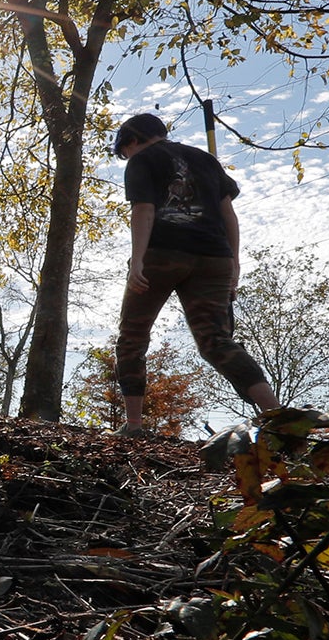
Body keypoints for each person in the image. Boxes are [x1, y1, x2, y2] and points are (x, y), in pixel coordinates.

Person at [111, 112, 279, 433]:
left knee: (132, 336)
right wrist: (234, 262)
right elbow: (228, 213)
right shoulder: (205, 160)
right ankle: (278, 417)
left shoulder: (142, 160)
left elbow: (143, 209)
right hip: (214, 257)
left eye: (124, 152)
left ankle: (133, 424)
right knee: (216, 340)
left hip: (162, 254)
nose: (127, 158)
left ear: (131, 141)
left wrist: (137, 262)